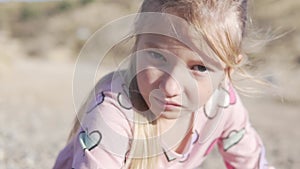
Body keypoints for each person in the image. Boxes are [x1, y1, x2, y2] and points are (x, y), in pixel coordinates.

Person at [53, 0, 276, 168]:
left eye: (199, 68)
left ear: (228, 70)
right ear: (136, 45)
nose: (170, 87)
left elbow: (252, 163)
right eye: (157, 57)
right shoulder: (113, 114)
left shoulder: (223, 106)